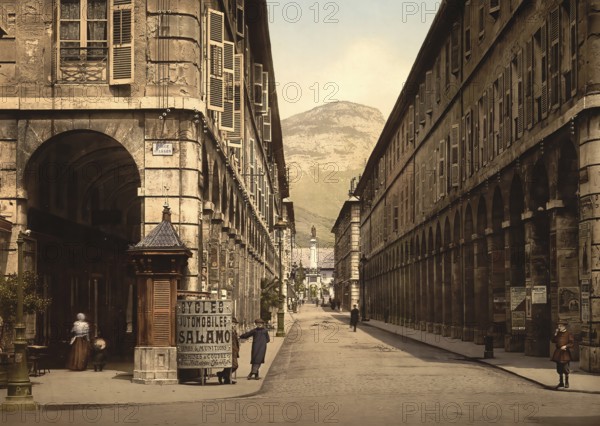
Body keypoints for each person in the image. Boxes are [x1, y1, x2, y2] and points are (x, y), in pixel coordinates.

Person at [551, 319, 574, 389]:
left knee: (565, 368)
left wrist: (566, 346)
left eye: (560, 326)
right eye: (558, 326)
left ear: (564, 327)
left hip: (565, 353)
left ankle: (567, 382)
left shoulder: (568, 334)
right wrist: (555, 334)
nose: (559, 327)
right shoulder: (558, 333)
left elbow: (571, 343)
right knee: (559, 368)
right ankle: (561, 383)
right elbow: (553, 341)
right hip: (558, 353)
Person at [217, 317, 240, 385]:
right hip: (230, 350)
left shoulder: (234, 331)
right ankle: (222, 374)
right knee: (234, 365)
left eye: (235, 324)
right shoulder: (227, 331)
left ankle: (226, 378)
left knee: (230, 365)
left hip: (234, 350)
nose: (234, 325)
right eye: (232, 323)